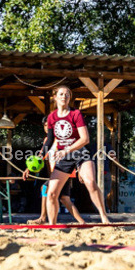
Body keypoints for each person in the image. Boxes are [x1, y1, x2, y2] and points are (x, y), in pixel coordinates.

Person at [43, 86, 109, 225]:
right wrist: (36, 160)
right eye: (61, 94)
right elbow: (49, 141)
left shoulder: (75, 114)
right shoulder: (51, 117)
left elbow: (85, 139)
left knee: (90, 183)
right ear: (55, 97)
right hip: (64, 157)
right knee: (52, 193)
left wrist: (66, 150)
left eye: (67, 94)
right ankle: (52, 225)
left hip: (80, 152)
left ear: (70, 98)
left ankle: (104, 216)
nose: (64, 97)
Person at [24, 118, 85, 225]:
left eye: (49, 125)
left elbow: (75, 153)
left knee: (45, 188)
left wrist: (80, 169)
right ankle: (82, 222)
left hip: (64, 171)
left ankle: (42, 218)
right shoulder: (47, 140)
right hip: (57, 172)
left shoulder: (62, 139)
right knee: (65, 199)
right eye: (45, 125)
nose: (47, 128)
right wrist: (29, 168)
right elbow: (41, 156)